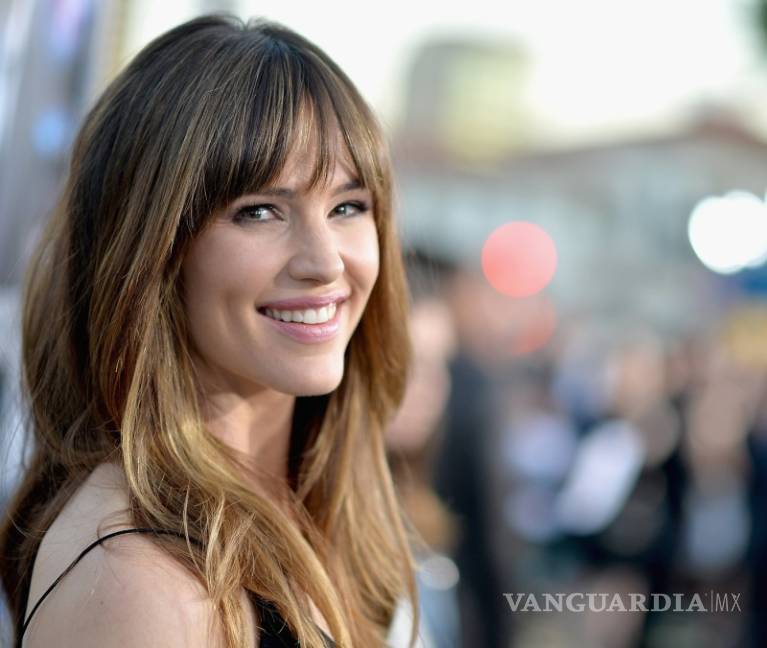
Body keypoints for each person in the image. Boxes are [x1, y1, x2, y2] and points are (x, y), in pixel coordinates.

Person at [0, 14, 420, 648]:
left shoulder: (321, 513)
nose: (326, 262)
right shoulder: (140, 581)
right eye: (259, 211)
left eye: (347, 207)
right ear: (151, 248)